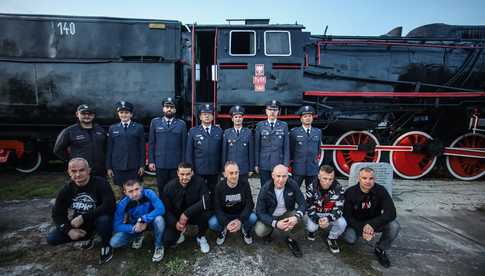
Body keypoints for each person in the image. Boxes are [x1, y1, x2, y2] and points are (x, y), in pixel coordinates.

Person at [47, 157, 115, 264]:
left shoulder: (101, 183)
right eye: (73, 171)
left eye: (81, 170)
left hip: (98, 219)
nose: (78, 174)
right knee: (52, 238)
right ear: (69, 172)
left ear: (89, 170)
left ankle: (106, 244)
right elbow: (57, 214)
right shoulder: (66, 189)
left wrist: (84, 217)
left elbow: (109, 205)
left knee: (104, 220)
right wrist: (69, 230)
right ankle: (89, 237)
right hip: (81, 223)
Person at [343, 167, 400, 268]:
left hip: (375, 223)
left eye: (371, 178)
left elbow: (391, 212)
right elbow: (347, 216)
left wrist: (371, 225)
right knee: (350, 239)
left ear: (374, 179)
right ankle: (358, 234)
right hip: (356, 223)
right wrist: (363, 229)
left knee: (394, 225)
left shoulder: (381, 190)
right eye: (364, 178)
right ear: (359, 178)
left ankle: (380, 249)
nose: (368, 181)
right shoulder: (350, 192)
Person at [255, 164, 306, 257]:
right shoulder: (265, 189)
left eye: (284, 176)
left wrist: (296, 217)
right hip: (271, 216)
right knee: (260, 230)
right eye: (278, 176)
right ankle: (270, 231)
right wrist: (275, 223)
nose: (281, 179)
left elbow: (303, 203)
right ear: (273, 175)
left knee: (302, 220)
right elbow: (259, 211)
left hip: (286, 214)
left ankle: (290, 238)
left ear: (288, 176)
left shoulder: (292, 184)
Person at [110, 180, 166, 262]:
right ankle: (138, 235)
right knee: (114, 242)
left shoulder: (149, 193)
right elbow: (116, 225)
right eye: (130, 191)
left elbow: (161, 209)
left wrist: (143, 219)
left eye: (137, 189)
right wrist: (133, 228)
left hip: (151, 222)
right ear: (125, 192)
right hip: (136, 226)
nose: (135, 194)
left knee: (159, 219)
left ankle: (158, 245)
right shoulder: (122, 204)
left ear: (141, 188)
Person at [162, 163, 212, 253]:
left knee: (206, 213)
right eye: (182, 174)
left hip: (193, 214)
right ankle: (179, 231)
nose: (185, 177)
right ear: (177, 173)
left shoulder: (200, 182)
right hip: (177, 218)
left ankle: (201, 236)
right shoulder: (169, 187)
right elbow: (166, 210)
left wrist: (186, 214)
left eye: (188, 174)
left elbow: (206, 201)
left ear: (192, 173)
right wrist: (175, 223)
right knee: (167, 240)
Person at [209, 161, 257, 245]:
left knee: (253, 217)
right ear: (225, 174)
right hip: (226, 214)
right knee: (212, 223)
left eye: (236, 172)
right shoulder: (219, 186)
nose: (234, 176)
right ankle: (223, 230)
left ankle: (245, 229)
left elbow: (250, 204)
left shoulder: (245, 184)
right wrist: (226, 223)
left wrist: (240, 220)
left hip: (240, 213)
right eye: (231, 173)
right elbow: (217, 207)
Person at [148, 97, 187, 198]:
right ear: (163, 109)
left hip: (175, 164)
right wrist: (151, 161)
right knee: (162, 188)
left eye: (171, 107)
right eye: (167, 107)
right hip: (160, 163)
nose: (169, 109)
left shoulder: (181, 124)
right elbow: (152, 143)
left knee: (175, 188)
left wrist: (183, 163)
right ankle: (164, 210)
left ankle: (174, 210)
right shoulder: (155, 122)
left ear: (175, 109)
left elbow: (184, 145)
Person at [53, 104, 107, 177]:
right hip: (80, 172)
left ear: (93, 115)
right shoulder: (69, 131)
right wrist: (71, 160)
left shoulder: (100, 130)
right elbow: (58, 150)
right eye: (83, 113)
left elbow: (106, 148)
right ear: (77, 114)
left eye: (89, 114)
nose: (87, 116)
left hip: (100, 171)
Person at [305, 165, 346, 254]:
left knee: (342, 223)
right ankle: (312, 231)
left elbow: (339, 209)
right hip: (317, 213)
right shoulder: (311, 187)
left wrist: (328, 219)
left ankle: (332, 238)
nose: (327, 182)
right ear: (319, 176)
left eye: (330, 179)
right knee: (311, 227)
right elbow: (308, 206)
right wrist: (317, 219)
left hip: (330, 214)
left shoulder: (339, 188)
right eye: (324, 178)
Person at [106, 101, 145, 187]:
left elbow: (142, 148)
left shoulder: (139, 127)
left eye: (126, 113)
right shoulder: (113, 128)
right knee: (122, 189)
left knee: (135, 188)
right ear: (118, 114)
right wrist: (108, 167)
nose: (124, 115)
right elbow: (110, 149)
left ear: (131, 114)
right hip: (118, 165)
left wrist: (142, 165)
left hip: (134, 166)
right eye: (121, 112)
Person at [186, 104, 223, 192]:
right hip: (199, 170)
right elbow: (189, 152)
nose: (207, 116)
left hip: (214, 169)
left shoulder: (219, 131)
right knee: (198, 192)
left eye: (209, 113)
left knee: (214, 192)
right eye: (204, 114)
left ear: (213, 117)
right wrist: (190, 169)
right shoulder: (193, 131)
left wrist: (222, 168)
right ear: (200, 117)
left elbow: (222, 151)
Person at [254, 100, 289, 187]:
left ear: (278, 111)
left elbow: (286, 147)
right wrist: (256, 164)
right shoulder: (260, 125)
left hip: (279, 163)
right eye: (270, 109)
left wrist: (285, 165)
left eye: (275, 110)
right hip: (264, 163)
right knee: (265, 187)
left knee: (278, 187)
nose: (272, 112)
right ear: (266, 111)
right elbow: (257, 147)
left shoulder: (284, 125)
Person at [290, 105, 321, 190]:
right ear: (301, 119)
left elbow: (318, 150)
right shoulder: (294, 132)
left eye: (310, 116)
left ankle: (310, 203)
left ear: (312, 118)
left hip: (312, 168)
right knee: (294, 191)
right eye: (305, 116)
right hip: (298, 168)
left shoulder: (317, 132)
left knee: (312, 192)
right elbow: (291, 150)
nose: (308, 118)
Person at [221, 105, 254, 184]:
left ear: (243, 118)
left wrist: (251, 168)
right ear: (232, 119)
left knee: (243, 189)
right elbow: (224, 152)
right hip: (230, 168)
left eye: (240, 117)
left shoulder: (248, 132)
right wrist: (223, 168)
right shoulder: (227, 132)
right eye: (236, 117)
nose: (238, 119)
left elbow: (251, 152)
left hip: (243, 168)